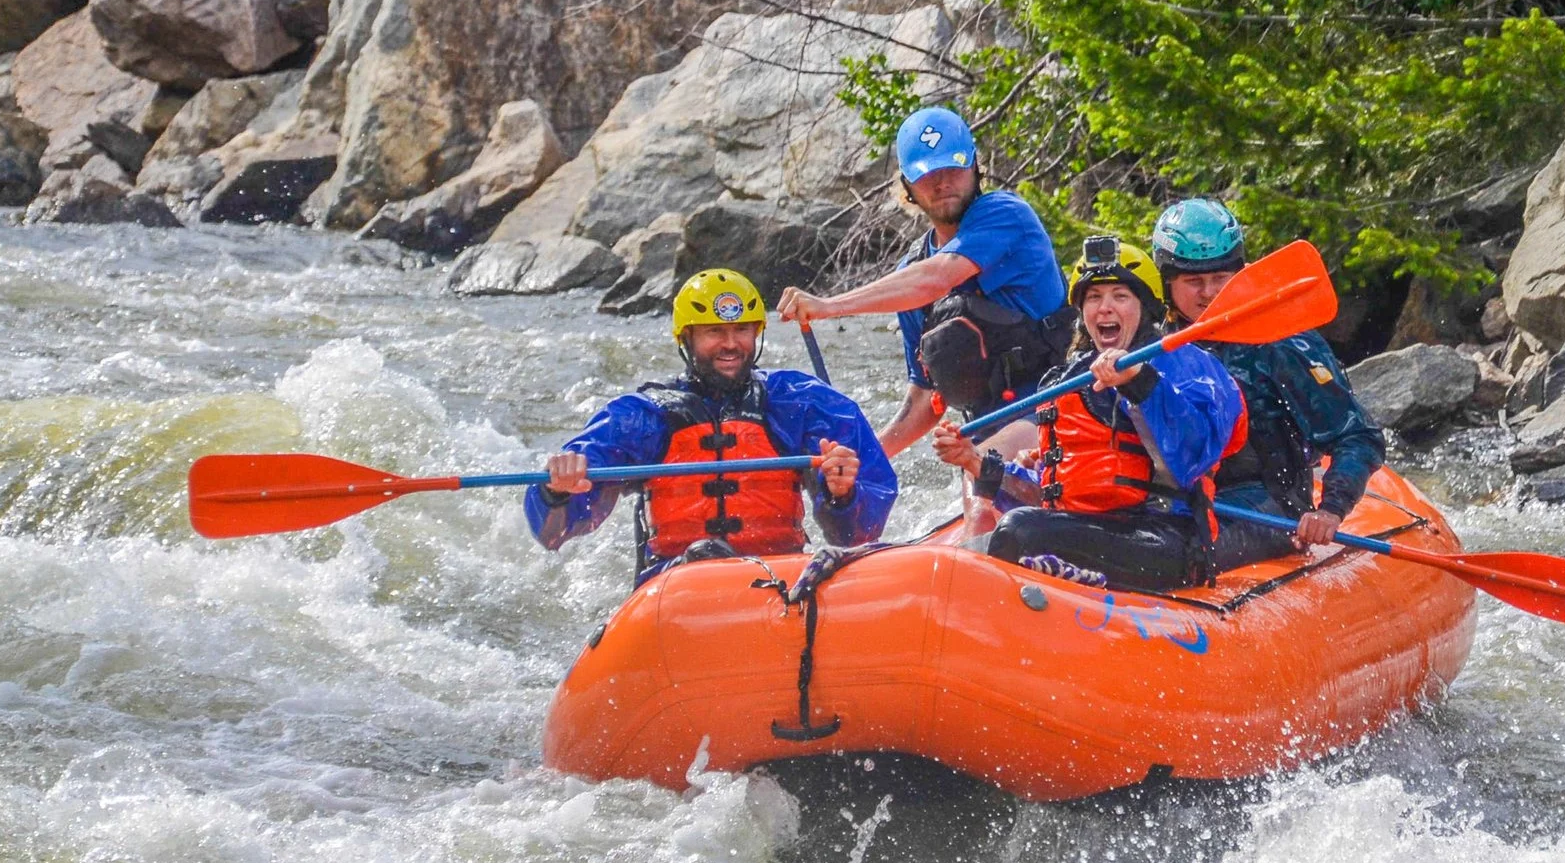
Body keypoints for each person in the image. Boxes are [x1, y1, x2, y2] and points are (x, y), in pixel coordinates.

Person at [530, 269, 897, 579]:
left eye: (741, 330)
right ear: (686, 339)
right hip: (678, 580)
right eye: (714, 332)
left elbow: (859, 536)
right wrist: (557, 491)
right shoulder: (641, 417)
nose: (731, 344)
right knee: (703, 557)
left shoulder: (802, 402)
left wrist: (843, 495)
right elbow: (553, 534)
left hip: (780, 574)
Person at [931, 237, 1243, 592]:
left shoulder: (1186, 363)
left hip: (1169, 541)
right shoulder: (1068, 381)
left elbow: (1195, 455)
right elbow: (1051, 495)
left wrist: (1140, 383)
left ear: (1147, 308)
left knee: (1019, 531)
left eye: (1120, 296)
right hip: (1092, 533)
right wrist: (975, 462)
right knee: (974, 553)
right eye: (1094, 298)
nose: (1105, 308)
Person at [775, 106, 1071, 454]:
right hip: (985, 430)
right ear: (907, 187)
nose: (943, 182)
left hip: (1058, 404)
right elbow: (925, 400)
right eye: (928, 174)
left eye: (953, 167)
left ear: (975, 167)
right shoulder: (911, 269)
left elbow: (937, 278)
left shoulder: (1006, 215)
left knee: (985, 482)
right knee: (981, 483)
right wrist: (867, 458)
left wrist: (829, 306)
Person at [1151, 198, 1386, 572]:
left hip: (1271, 506)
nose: (1209, 293)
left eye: (1219, 279)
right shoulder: (1152, 345)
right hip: (1183, 501)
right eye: (1194, 282)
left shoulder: (1281, 342)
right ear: (1167, 283)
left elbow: (1358, 436)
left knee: (1178, 549)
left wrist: (1331, 509)